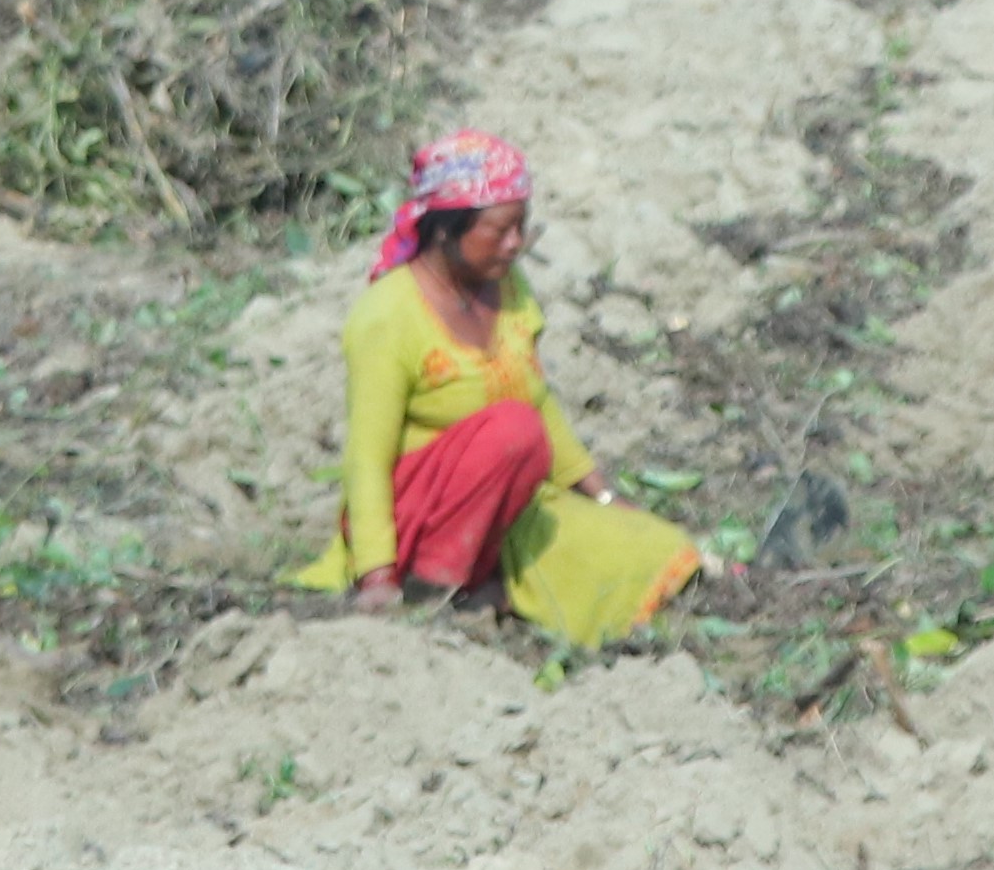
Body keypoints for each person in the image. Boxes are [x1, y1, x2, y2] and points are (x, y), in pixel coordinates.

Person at [292, 131, 699, 648]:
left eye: (521, 228)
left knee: (653, 548)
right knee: (512, 429)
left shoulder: (508, 289)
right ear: (445, 230)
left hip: (497, 507)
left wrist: (603, 495)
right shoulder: (387, 317)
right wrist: (377, 575)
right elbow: (366, 460)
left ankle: (482, 582)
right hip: (414, 518)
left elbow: (539, 399)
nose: (515, 244)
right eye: (500, 230)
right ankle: (433, 588)